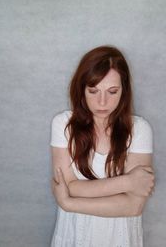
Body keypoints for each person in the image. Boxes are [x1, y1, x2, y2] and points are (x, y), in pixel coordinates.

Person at [50, 46, 155, 247]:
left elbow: (133, 206)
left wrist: (68, 203)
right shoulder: (63, 124)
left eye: (112, 91)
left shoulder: (140, 129)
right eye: (93, 90)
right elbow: (69, 186)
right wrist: (129, 183)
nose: (102, 102)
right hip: (74, 235)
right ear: (81, 89)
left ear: (124, 91)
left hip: (120, 238)